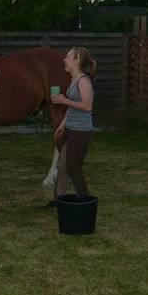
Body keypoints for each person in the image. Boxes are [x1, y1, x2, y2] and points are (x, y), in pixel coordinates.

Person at [48, 46, 96, 202]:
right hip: (70, 128)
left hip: (81, 131)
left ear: (77, 60)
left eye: (68, 57)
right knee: (62, 166)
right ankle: (58, 200)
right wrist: (62, 125)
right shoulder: (73, 80)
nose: (64, 60)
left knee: (74, 168)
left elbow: (86, 106)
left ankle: (85, 202)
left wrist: (63, 100)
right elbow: (72, 107)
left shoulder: (84, 81)